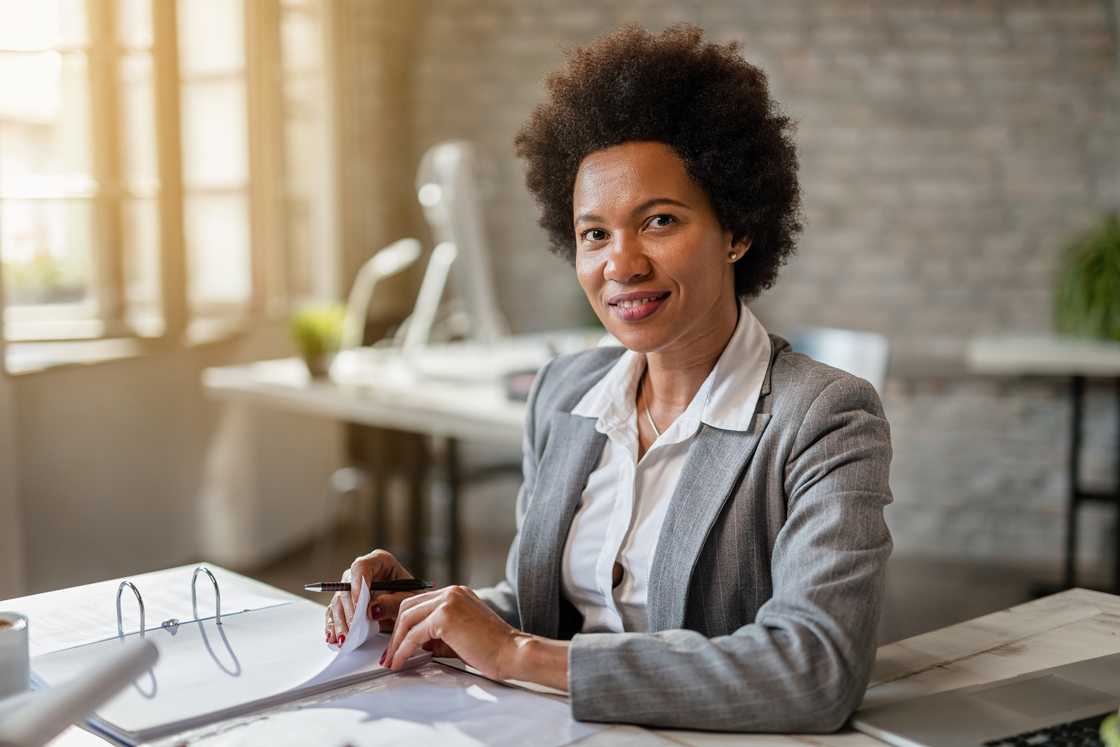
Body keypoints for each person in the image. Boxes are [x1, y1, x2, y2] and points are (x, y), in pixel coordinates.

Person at [324, 24, 893, 733]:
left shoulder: (824, 417)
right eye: (595, 233)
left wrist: (519, 653)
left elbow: (814, 669)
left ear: (737, 230)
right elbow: (542, 609)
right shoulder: (564, 394)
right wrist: (424, 609)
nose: (620, 264)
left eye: (658, 221)